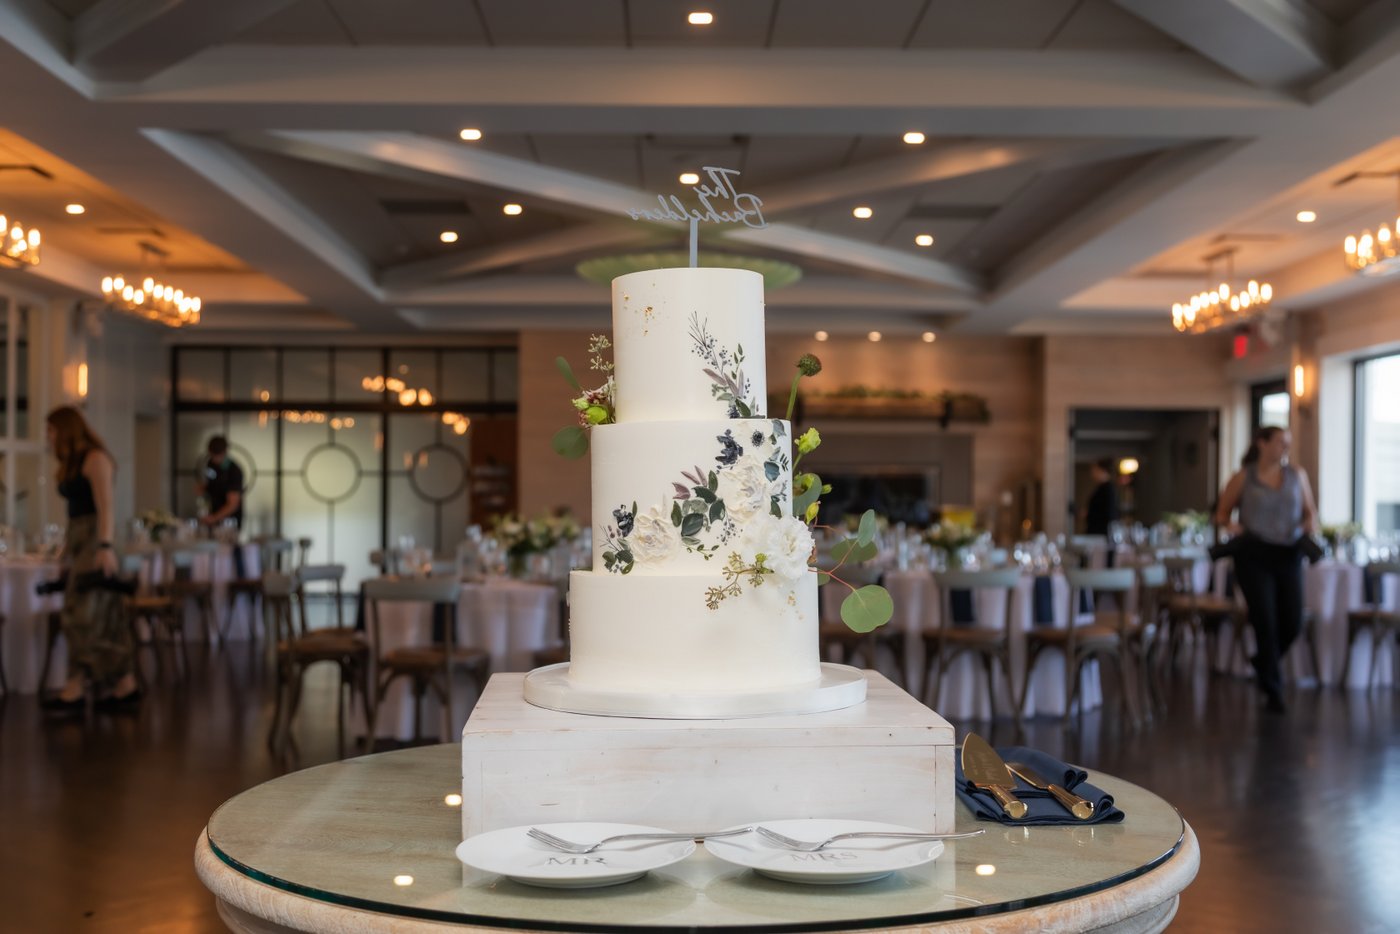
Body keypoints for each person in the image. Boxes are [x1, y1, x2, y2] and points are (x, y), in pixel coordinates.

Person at [1215, 426, 1317, 713]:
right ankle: (1274, 689)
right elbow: (1221, 513)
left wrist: (1309, 524)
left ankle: (1263, 662)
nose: (1285, 448)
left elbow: (1310, 512)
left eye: (1288, 443)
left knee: (1293, 620)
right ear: (1261, 443)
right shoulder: (1243, 477)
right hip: (1253, 555)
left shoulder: (1297, 475)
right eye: (1280, 442)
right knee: (1265, 620)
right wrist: (1231, 525)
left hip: (1288, 555)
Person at [43, 406, 137, 711]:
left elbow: (106, 507)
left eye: (52, 430)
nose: (49, 437)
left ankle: (91, 685)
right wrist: (66, 552)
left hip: (97, 539)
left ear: (67, 429)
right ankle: (100, 685)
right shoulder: (73, 463)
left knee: (86, 614)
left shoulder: (96, 459)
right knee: (87, 614)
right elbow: (75, 515)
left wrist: (106, 547)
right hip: (82, 540)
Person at [197, 436, 246, 577]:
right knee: (211, 555)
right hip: (213, 516)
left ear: (225, 452)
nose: (216, 458)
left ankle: (238, 586)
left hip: (230, 521)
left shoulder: (234, 470)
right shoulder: (210, 465)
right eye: (213, 455)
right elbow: (211, 484)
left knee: (232, 554)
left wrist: (214, 518)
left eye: (218, 455)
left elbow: (233, 504)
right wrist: (204, 488)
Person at [1083, 458, 1119, 536]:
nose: (1092, 473)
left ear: (1102, 470)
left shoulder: (1108, 489)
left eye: (1095, 470)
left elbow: (1110, 514)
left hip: (1101, 533)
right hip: (1098, 531)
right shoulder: (1102, 488)